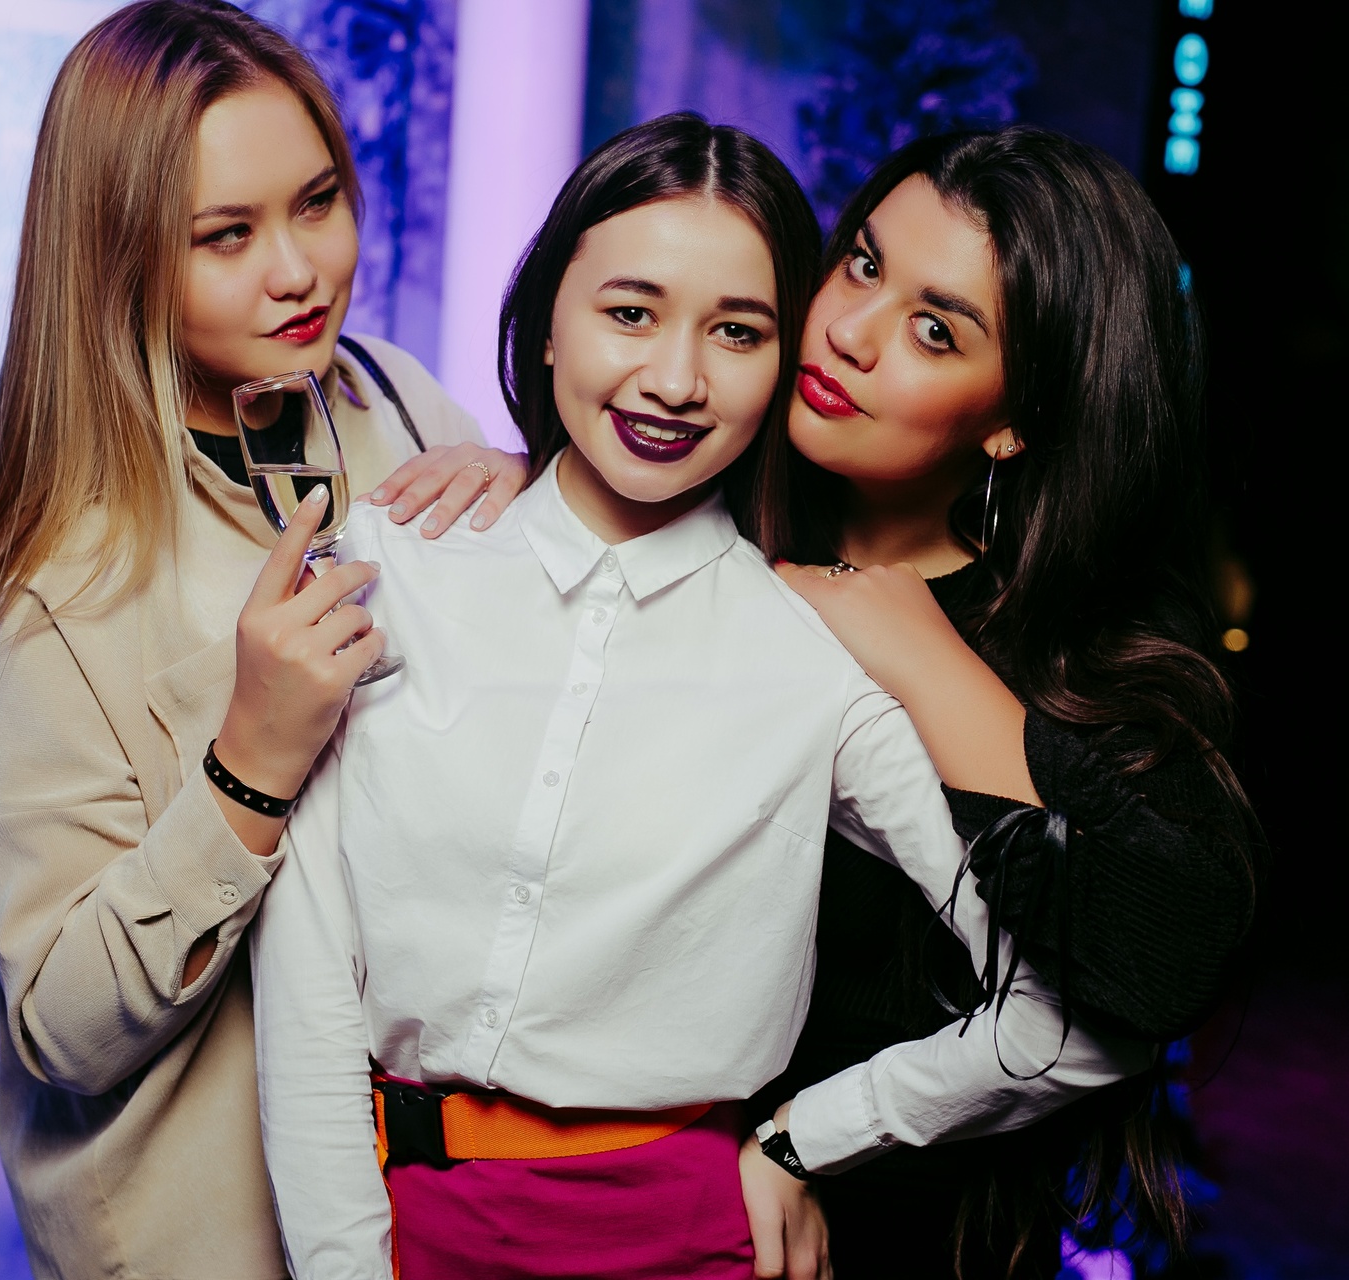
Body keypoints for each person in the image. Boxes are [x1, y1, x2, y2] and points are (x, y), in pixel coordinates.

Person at [252, 113, 1150, 1280]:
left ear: (781, 363)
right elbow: (308, 985)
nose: (676, 381)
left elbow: (1071, 1017)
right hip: (397, 1223)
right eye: (630, 312)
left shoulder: (814, 659)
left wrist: (813, 1134)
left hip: (693, 1237)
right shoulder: (389, 568)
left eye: (737, 332)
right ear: (549, 319)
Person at [0, 3, 520, 1276]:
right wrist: (250, 762)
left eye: (319, 201)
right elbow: (61, 1031)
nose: (299, 269)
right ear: (115, 252)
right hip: (218, 1237)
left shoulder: (399, 399)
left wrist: (541, 501)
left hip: (432, 1203)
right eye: (226, 235)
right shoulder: (50, 586)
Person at [759, 127, 1260, 1277]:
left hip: (913, 1242)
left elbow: (1158, 960)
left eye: (935, 329)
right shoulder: (711, 528)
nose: (849, 330)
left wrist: (926, 655)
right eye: (863, 264)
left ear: (1013, 418)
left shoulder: (1088, 659)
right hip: (639, 1205)